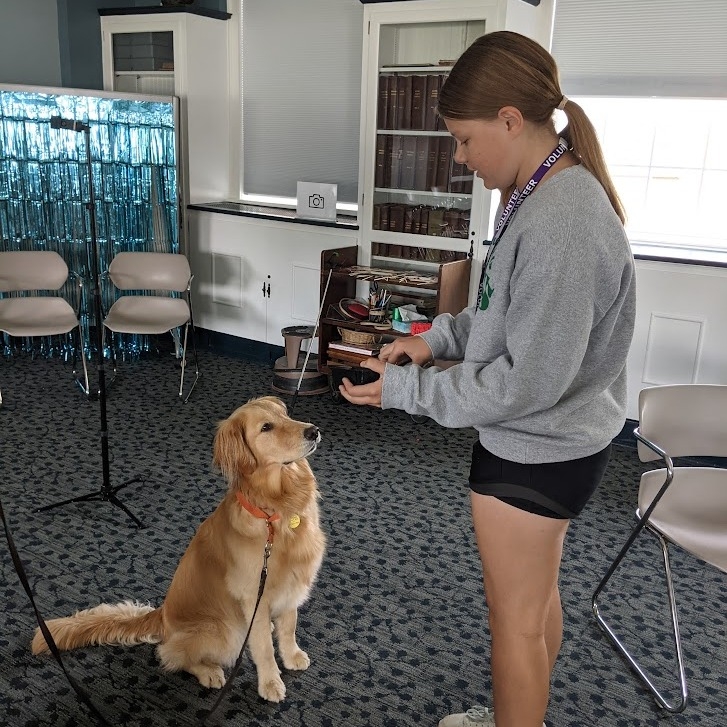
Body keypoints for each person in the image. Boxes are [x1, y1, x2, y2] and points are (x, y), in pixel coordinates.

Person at [339, 30, 636, 727]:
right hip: (543, 440)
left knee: (514, 623)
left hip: (537, 444)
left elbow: (523, 382)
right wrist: (431, 340)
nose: (460, 157)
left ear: (510, 119)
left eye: (466, 140)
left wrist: (409, 391)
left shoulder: (563, 219)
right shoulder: (533, 194)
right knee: (532, 609)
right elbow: (499, 314)